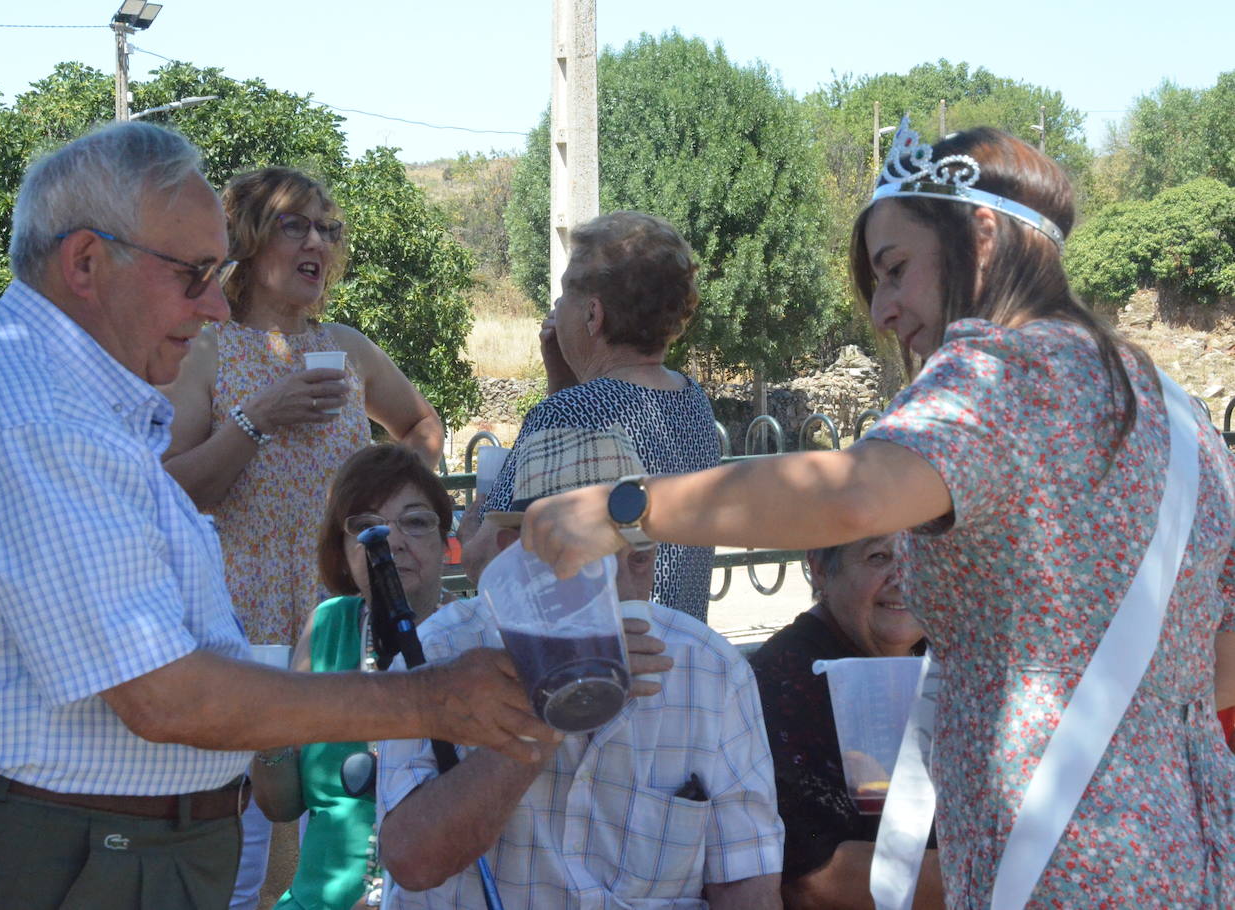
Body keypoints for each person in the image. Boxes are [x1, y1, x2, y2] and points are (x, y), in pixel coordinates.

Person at [520, 120, 1235, 906]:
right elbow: (1221, 655)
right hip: (1185, 848)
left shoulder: (1005, 369)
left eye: (895, 270)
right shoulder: (1175, 413)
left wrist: (627, 508)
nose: (884, 311)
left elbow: (848, 494)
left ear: (983, 237)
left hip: (1057, 866)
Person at [0, 122, 557, 910]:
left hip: (85, 847)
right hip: (46, 854)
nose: (214, 307)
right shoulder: (32, 410)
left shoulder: (68, 393)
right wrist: (431, 700)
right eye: (194, 274)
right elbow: (163, 696)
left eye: (217, 271)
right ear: (85, 262)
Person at [159, 166, 444, 907]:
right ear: (249, 244)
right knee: (241, 855)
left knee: (350, 832)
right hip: (237, 630)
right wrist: (259, 418)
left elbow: (420, 424)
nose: (319, 241)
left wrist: (395, 511)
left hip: (341, 628)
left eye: (329, 228)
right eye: (297, 225)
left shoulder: (345, 349)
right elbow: (170, 491)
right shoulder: (207, 350)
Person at [378, 426, 783, 909]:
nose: (624, 586)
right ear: (516, 554)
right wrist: (552, 709)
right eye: (591, 559)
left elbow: (748, 887)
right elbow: (412, 861)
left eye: (640, 555)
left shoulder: (712, 670)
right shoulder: (440, 653)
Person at [461, 211, 720, 620]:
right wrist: (562, 382)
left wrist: (472, 522)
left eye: (565, 294)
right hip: (677, 651)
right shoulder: (694, 401)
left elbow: (486, 559)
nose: (556, 307)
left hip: (607, 659)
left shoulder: (566, 414)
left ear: (593, 315)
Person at [250, 444, 453, 910]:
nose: (391, 540)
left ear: (447, 542)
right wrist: (269, 731)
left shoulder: (474, 642)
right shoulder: (326, 626)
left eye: (416, 522)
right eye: (366, 527)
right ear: (341, 553)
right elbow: (281, 806)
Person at [749, 535, 944, 909]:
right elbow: (812, 878)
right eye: (879, 556)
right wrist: (1001, 877)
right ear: (819, 568)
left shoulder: (952, 656)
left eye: (923, 552)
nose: (905, 575)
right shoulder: (781, 681)